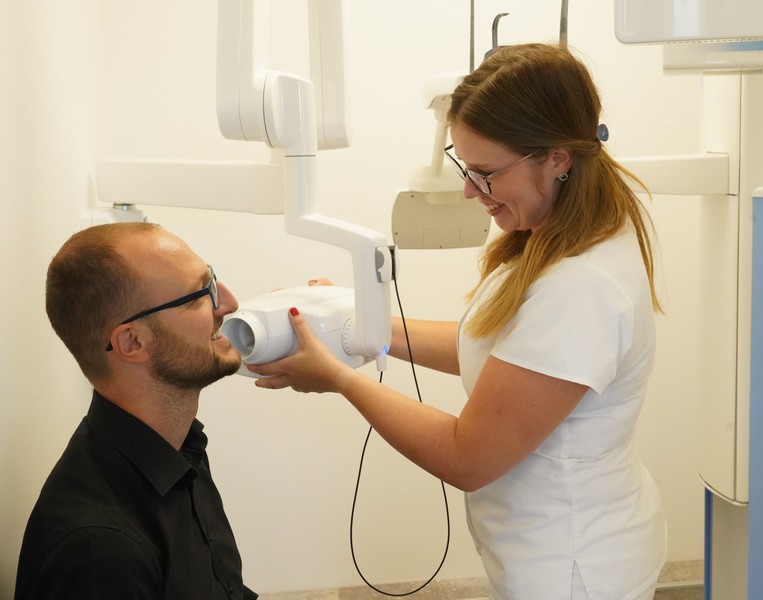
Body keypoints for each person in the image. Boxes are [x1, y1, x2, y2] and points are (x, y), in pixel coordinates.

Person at [249, 43, 666, 599]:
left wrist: (340, 379)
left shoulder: (581, 288)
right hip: (552, 542)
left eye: (486, 173)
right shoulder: (555, 234)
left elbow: (467, 457)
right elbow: (496, 351)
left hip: (574, 566)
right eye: (464, 167)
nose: (470, 190)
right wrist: (365, 322)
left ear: (558, 159)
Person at [15, 222, 257, 600]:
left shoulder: (179, 449)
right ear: (132, 341)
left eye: (212, 279)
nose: (228, 303)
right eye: (200, 294)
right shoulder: (101, 551)